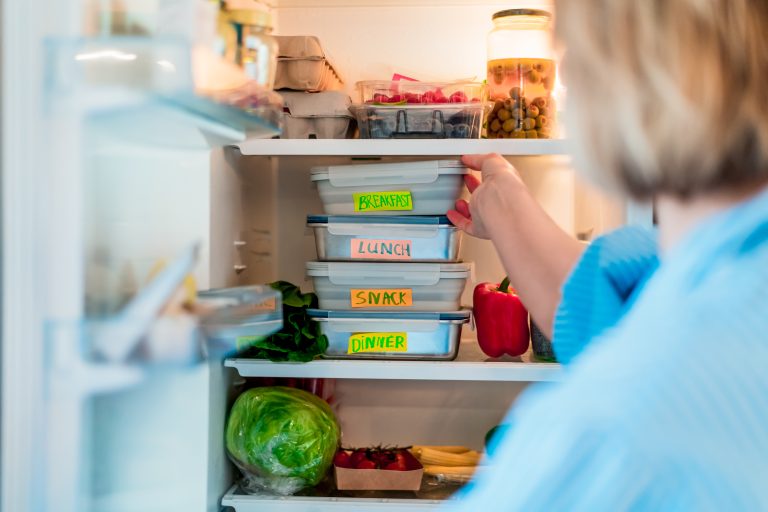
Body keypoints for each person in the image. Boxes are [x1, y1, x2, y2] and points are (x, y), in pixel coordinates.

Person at [444, 0, 768, 509]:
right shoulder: (731, 269)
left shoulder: (605, 436)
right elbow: (625, 299)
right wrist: (504, 203)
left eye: (572, 47)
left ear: (632, 76)